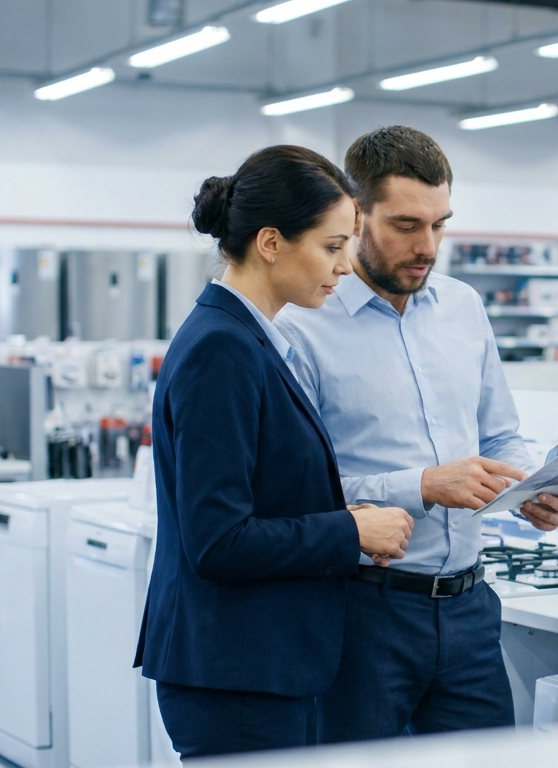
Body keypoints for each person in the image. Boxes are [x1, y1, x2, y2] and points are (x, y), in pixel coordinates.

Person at [276, 126, 558, 741]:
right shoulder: (300, 325)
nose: (428, 246)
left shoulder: (464, 308)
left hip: (469, 610)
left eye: (440, 225)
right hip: (362, 612)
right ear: (354, 215)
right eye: (407, 226)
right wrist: (422, 486)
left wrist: (532, 489)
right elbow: (296, 494)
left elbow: (499, 436)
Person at [136, 145, 415, 758]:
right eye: (332, 245)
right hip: (237, 675)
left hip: (259, 665)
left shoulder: (247, 336)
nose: (345, 266)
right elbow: (219, 540)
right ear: (270, 242)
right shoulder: (222, 350)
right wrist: (352, 532)